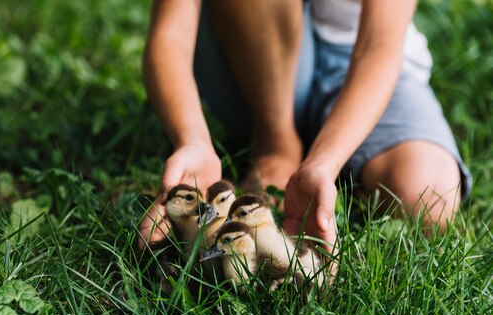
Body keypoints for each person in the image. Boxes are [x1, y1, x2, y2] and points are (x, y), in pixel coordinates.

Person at [137, 0, 472, 252]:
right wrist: (192, 140)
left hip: (360, 55)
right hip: (251, 46)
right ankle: (275, 144)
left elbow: (378, 45)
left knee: (428, 198)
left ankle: (320, 161)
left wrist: (325, 163)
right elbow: (170, 35)